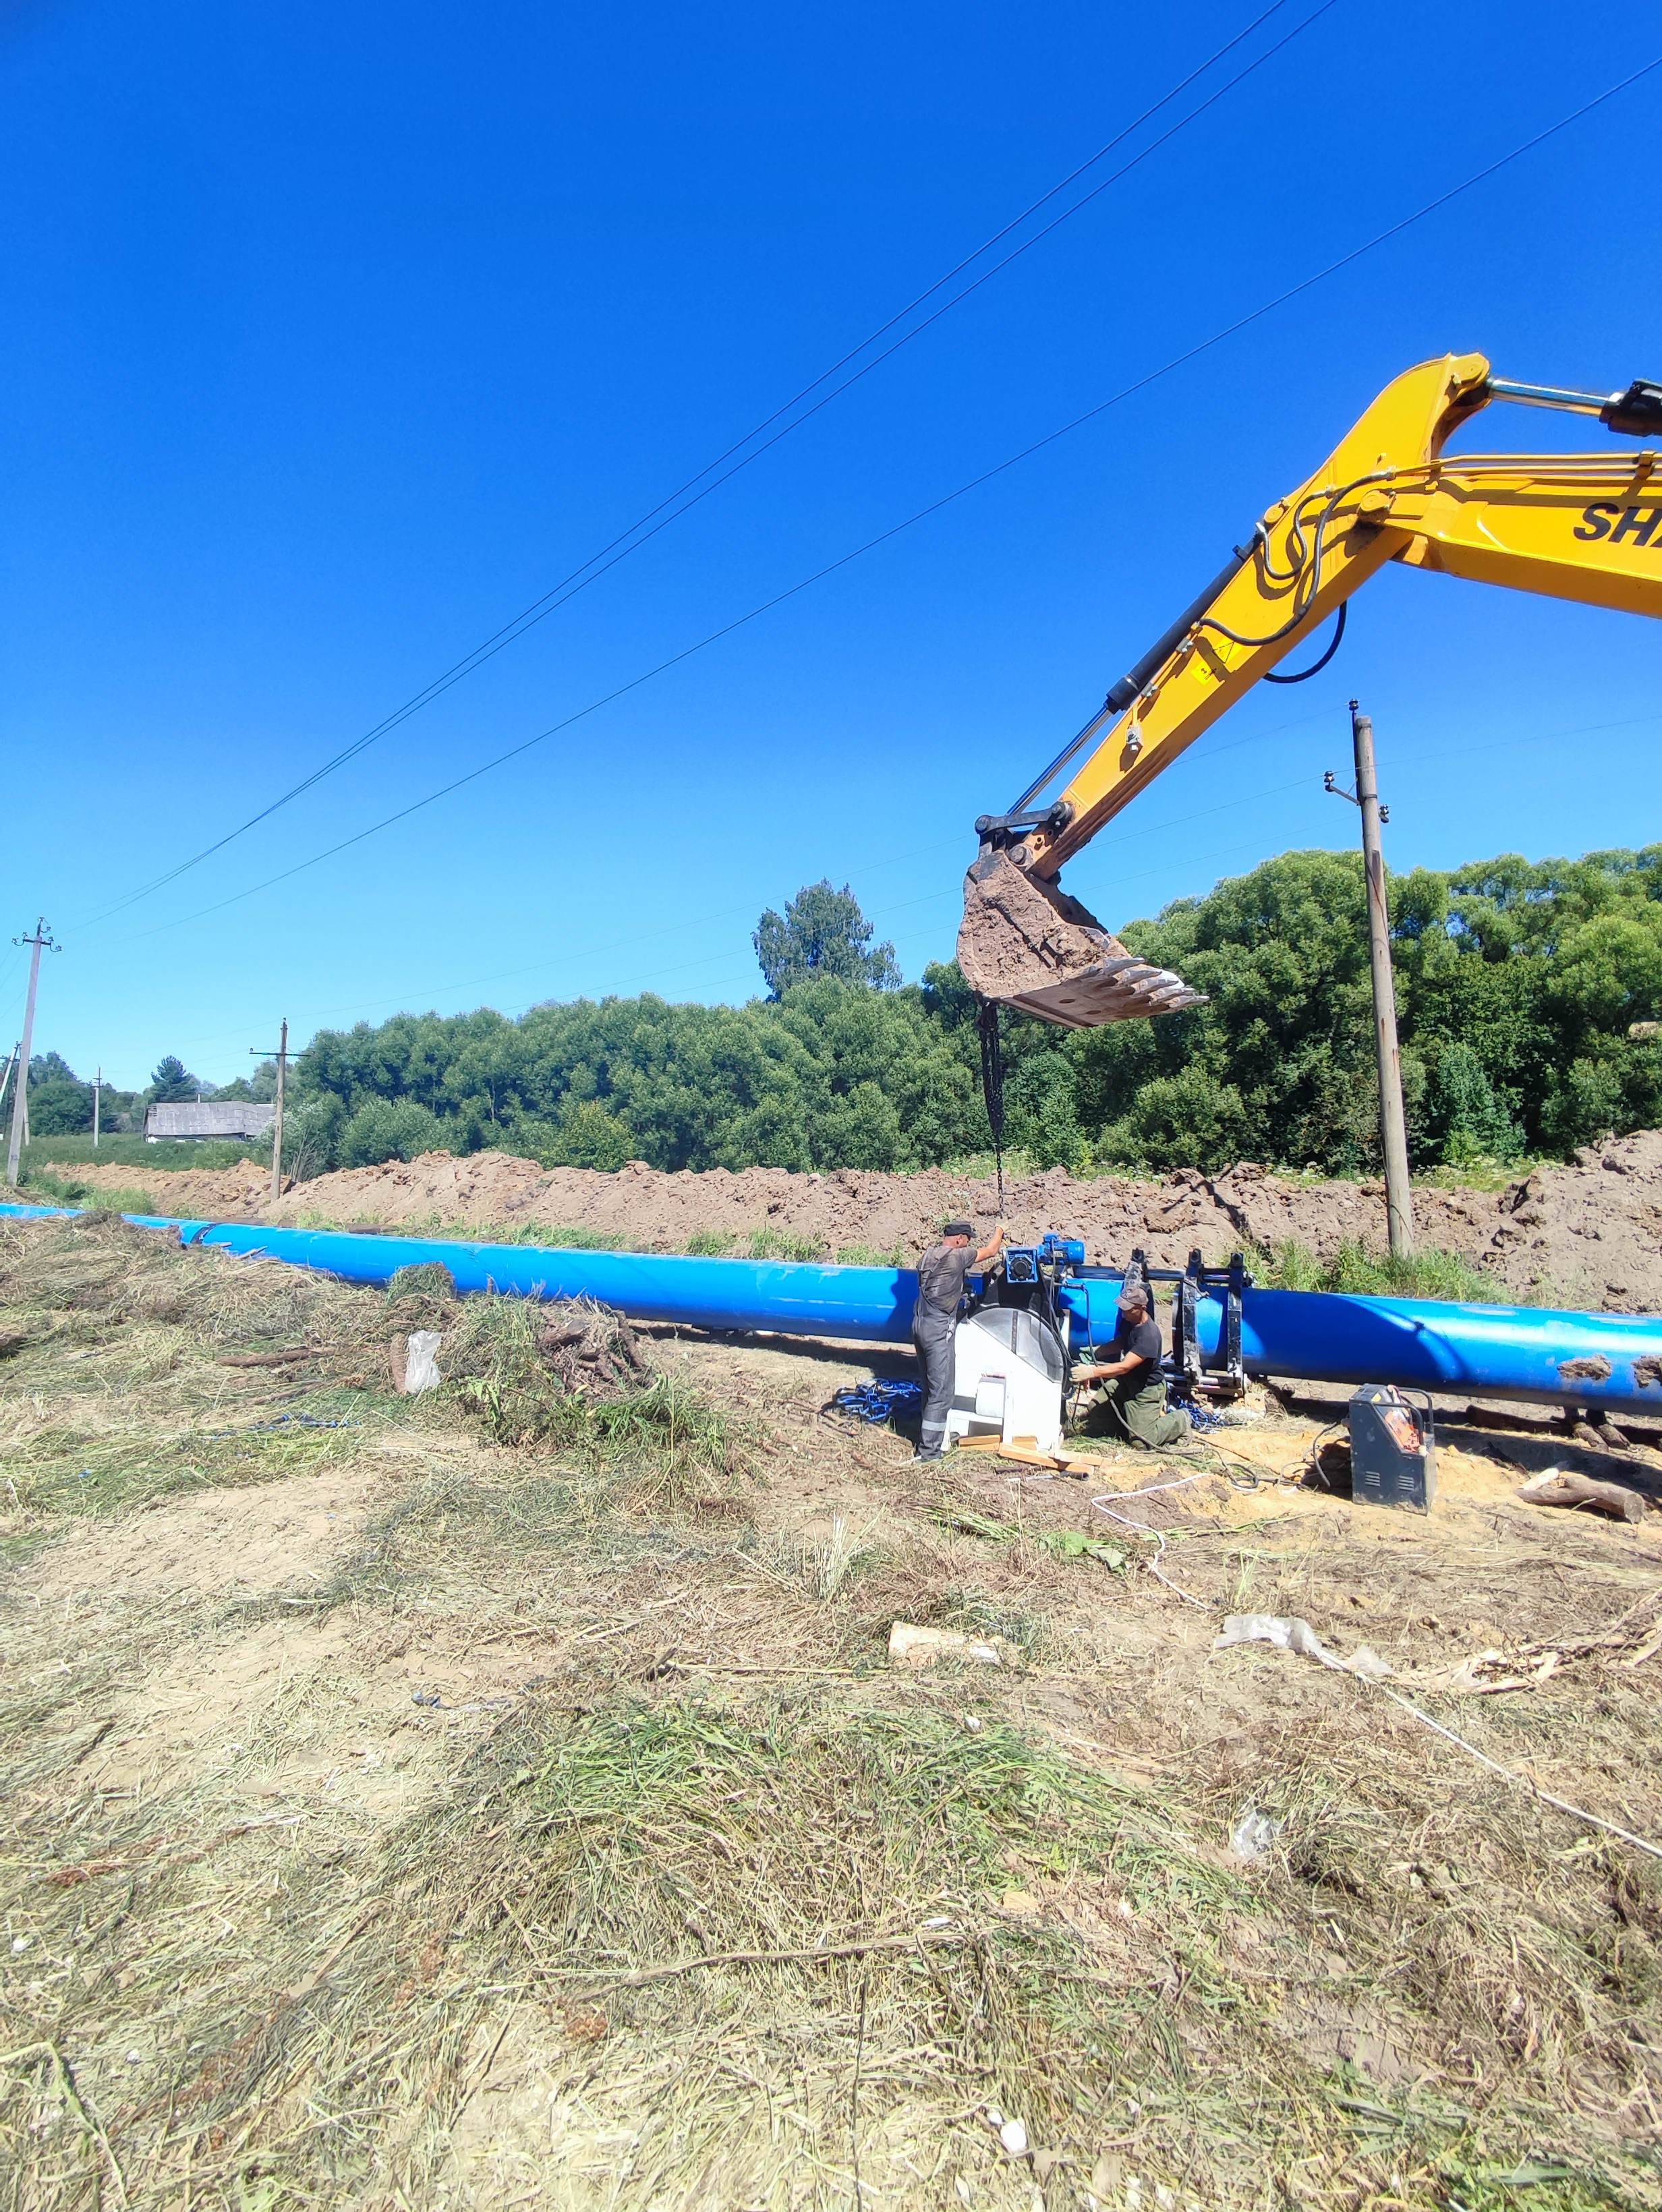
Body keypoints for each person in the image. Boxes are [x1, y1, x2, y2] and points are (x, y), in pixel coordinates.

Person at [911, 1217, 1005, 1462]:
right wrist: (1000, 1230)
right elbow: (992, 1251)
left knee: (930, 1387)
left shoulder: (927, 1256)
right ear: (960, 1239)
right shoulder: (958, 1256)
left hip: (919, 1324)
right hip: (938, 1329)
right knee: (942, 1392)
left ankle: (931, 1439)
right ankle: (929, 1453)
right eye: (967, 1240)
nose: (968, 1245)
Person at [1073, 1280, 1191, 1448]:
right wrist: (1098, 1351)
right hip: (1126, 1382)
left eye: (1128, 1310)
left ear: (1142, 1308)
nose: (1124, 1314)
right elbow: (1122, 1341)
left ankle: (1181, 1420)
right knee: (1096, 1409)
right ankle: (1129, 1423)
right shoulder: (1129, 1321)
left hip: (1145, 1390)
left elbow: (1124, 1366)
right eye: (1122, 1308)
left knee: (1141, 1442)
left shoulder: (1149, 1336)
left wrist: (1092, 1372)